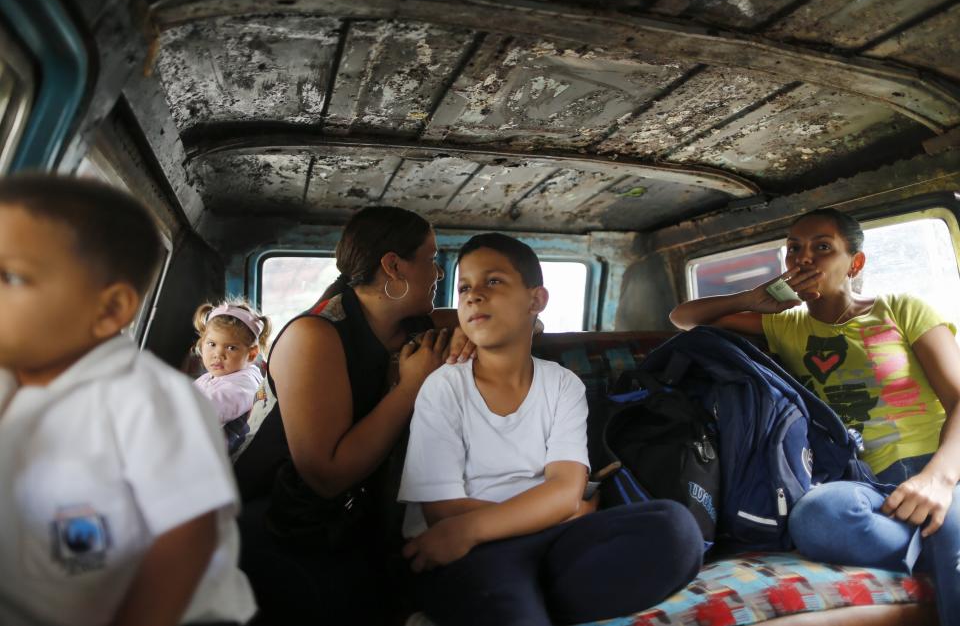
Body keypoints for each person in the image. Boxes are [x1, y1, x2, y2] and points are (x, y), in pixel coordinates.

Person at [670, 208, 960, 625]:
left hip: (936, 464)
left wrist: (939, 480)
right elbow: (683, 318)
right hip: (862, 483)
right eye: (794, 250)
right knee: (815, 518)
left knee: (954, 547)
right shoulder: (784, 326)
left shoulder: (901, 309)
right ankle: (934, 539)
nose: (803, 259)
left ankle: (942, 535)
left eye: (822, 248)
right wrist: (753, 298)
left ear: (854, 263)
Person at [399, 233, 703, 626]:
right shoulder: (444, 387)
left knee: (675, 529)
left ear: (536, 300)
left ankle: (514, 606)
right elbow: (443, 514)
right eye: (463, 288)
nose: (473, 295)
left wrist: (484, 525)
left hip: (537, 541)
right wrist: (559, 513)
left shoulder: (562, 384)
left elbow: (564, 491)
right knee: (503, 598)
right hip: (467, 554)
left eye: (492, 281)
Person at [0, 175, 255, 626]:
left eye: (13, 277)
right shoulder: (16, 381)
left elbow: (185, 541)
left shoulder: (151, 400)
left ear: (110, 310)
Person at [232, 206, 475, 625]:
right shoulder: (315, 335)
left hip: (359, 521)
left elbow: (483, 322)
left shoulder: (410, 326)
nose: (437, 273)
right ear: (393, 266)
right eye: (431, 259)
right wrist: (411, 387)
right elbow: (326, 475)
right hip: (285, 522)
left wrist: (518, 324)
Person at [191, 300, 270, 426]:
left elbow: (206, 411)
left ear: (252, 354)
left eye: (231, 348)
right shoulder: (209, 377)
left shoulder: (244, 384)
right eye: (212, 344)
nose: (218, 354)